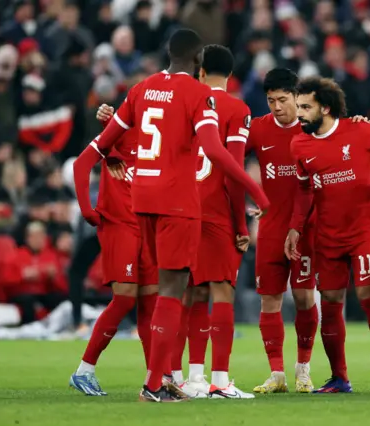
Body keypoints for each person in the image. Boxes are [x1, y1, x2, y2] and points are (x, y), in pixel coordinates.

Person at [72, 29, 269, 403]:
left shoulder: (140, 89)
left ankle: (166, 378)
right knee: (171, 293)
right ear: (198, 62)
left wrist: (88, 211)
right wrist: (257, 190)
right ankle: (154, 384)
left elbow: (87, 157)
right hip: (177, 202)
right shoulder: (200, 95)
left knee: (157, 293)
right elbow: (214, 150)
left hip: (140, 202)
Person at [286, 77, 370, 393]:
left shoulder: (362, 131)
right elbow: (304, 191)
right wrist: (295, 226)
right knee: (329, 302)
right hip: (327, 238)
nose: (298, 113)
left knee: (369, 295)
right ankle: (339, 377)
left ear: (325, 107)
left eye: (305, 107)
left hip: (363, 233)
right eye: (298, 106)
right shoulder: (299, 145)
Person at [172, 44, 254, 399]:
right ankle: (219, 379)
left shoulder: (184, 102)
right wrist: (240, 225)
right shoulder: (237, 109)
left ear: (200, 72)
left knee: (187, 291)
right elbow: (234, 171)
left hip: (180, 207)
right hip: (217, 211)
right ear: (230, 75)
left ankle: (182, 377)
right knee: (222, 291)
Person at [69, 107, 158, 397]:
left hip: (147, 226)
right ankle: (84, 371)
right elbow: (81, 164)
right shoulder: (119, 132)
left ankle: (154, 380)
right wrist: (87, 210)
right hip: (119, 225)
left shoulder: (162, 140)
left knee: (150, 302)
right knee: (124, 298)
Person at [247, 68, 318, 394]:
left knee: (304, 298)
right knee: (269, 301)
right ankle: (277, 374)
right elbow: (228, 157)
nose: (276, 107)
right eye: (271, 100)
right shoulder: (258, 129)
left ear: (296, 97)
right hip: (271, 228)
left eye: (283, 100)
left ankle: (303, 369)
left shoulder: (312, 127)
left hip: (305, 229)